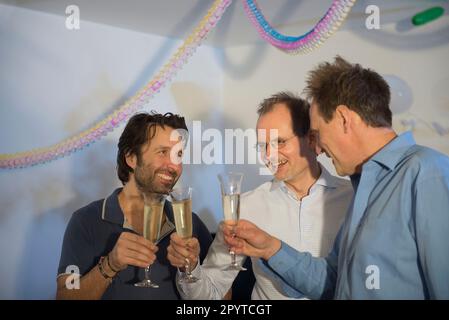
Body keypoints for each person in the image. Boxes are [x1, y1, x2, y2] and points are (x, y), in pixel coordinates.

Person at [223, 57, 449, 299]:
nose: (317, 147)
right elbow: (331, 280)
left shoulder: (427, 174)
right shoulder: (364, 188)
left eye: (318, 133)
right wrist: (270, 247)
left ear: (343, 119)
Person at [167, 92, 353, 299]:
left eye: (280, 142)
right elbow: (208, 294)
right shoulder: (246, 207)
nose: (269, 155)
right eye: (263, 146)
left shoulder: (354, 199)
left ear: (310, 139)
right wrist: (190, 267)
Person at [56, 112, 212, 299]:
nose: (174, 166)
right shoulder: (86, 221)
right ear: (131, 158)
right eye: (162, 152)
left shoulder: (191, 225)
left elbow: (224, 297)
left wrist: (192, 269)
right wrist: (110, 265)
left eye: (178, 155)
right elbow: (65, 296)